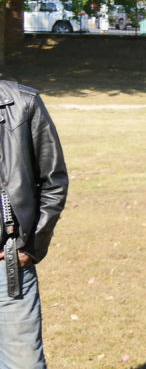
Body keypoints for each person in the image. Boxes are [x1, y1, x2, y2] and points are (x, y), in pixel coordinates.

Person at [0, 80, 70, 368]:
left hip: (8, 266)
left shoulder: (22, 102)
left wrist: (31, 246)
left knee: (23, 363)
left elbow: (54, 181)